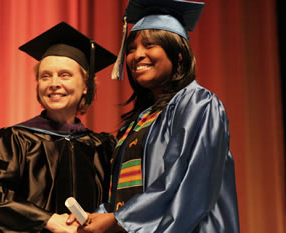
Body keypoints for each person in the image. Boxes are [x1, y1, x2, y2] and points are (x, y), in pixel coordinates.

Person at [68, 0, 240, 232]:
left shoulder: (198, 103)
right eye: (130, 49)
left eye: (149, 45)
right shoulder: (136, 123)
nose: (136, 55)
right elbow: (124, 194)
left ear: (178, 55)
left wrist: (119, 220)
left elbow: (188, 182)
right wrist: (96, 216)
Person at [0, 22, 117, 233]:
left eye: (64, 75)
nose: (54, 83)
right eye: (45, 76)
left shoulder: (102, 147)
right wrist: (46, 220)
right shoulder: (15, 140)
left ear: (86, 85)